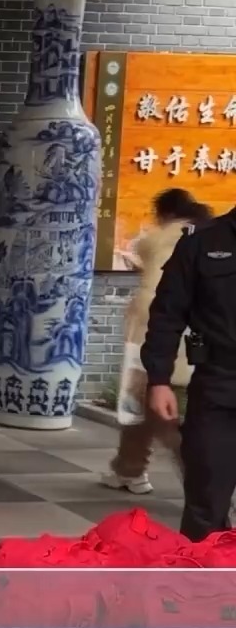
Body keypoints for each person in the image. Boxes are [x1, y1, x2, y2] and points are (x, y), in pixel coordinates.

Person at [103, 189, 212, 494]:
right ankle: (129, 469)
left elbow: (152, 290)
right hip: (198, 342)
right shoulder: (209, 237)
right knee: (142, 411)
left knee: (162, 418)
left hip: (152, 340)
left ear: (165, 213)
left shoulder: (160, 239)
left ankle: (205, 487)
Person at [142, 202, 236, 541]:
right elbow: (167, 314)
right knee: (206, 502)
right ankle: (202, 574)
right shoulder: (203, 242)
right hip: (219, 385)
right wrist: (158, 379)